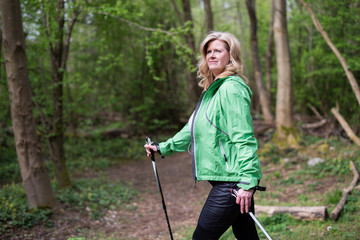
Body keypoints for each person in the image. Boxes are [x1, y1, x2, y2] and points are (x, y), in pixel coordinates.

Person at [144, 31, 262, 240]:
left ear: (231, 56)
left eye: (218, 50)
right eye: (209, 51)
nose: (212, 55)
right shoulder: (213, 91)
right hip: (228, 180)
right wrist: (163, 147)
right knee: (246, 235)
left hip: (233, 183)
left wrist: (248, 181)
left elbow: (243, 137)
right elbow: (191, 129)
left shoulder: (231, 88)